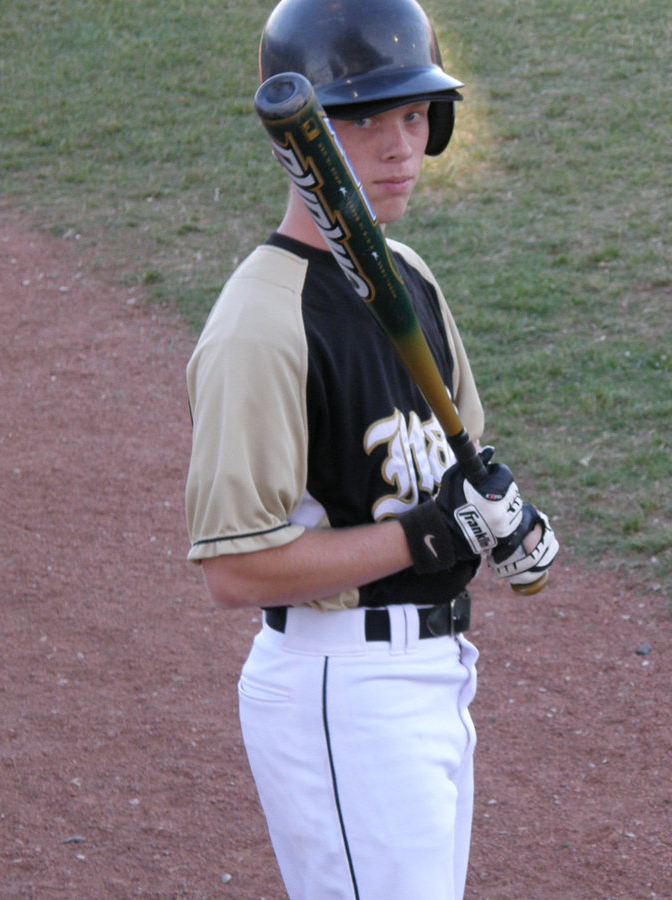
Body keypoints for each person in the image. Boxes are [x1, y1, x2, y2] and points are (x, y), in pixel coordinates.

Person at [183, 0, 559, 896]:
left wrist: (501, 517)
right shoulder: (260, 322)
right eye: (363, 121)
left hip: (435, 674)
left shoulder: (411, 278)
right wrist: (427, 536)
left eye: (414, 115)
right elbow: (234, 569)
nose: (399, 148)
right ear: (304, 142)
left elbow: (458, 467)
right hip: (341, 685)